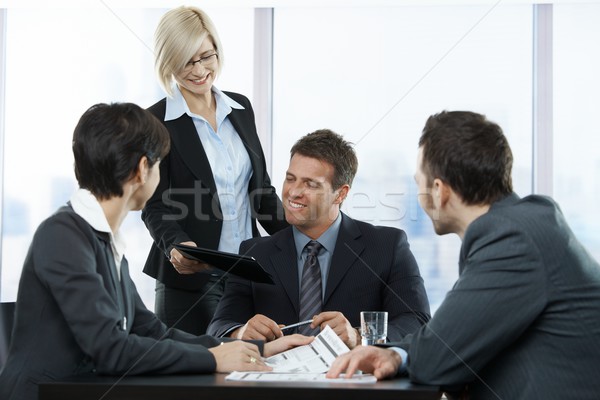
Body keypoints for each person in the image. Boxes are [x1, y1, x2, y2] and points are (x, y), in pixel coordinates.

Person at [0, 103, 310, 400]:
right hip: (44, 394)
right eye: (160, 163)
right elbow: (111, 349)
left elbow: (149, 330)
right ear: (141, 170)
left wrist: (253, 349)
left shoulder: (101, 237)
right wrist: (214, 358)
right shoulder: (64, 235)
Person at [327, 111, 600, 399]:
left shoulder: (511, 241)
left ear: (438, 191)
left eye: (418, 182)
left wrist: (396, 356)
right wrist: (396, 353)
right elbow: (451, 335)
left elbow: (437, 358)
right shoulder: (521, 226)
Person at [207, 129, 431, 348]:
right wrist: (241, 332)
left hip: (351, 379)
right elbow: (219, 326)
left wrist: (359, 336)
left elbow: (416, 322)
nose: (293, 192)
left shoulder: (387, 246)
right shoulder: (254, 252)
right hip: (275, 379)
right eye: (290, 179)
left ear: (341, 193)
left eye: (310, 184)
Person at [142, 6, 288, 335]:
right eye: (185, 61)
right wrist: (176, 244)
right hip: (191, 283)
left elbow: (261, 193)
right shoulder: (155, 122)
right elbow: (155, 205)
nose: (199, 70)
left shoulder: (241, 108)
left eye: (206, 56)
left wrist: (302, 237)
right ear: (167, 62)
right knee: (197, 381)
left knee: (252, 368)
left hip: (248, 276)